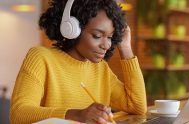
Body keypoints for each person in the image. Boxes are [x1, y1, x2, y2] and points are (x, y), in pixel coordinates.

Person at [10, 0, 147, 123]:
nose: (106, 45)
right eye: (97, 36)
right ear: (72, 29)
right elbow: (19, 114)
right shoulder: (41, 58)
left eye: (110, 37)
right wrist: (75, 115)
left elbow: (137, 106)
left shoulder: (100, 68)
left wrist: (125, 48)